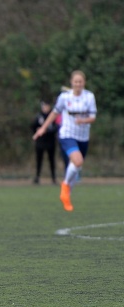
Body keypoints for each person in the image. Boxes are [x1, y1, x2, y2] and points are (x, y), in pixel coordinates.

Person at [33, 70, 97, 211]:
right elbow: (55, 112)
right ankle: (65, 185)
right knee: (78, 161)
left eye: (80, 82)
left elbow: (93, 117)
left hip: (83, 136)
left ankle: (66, 194)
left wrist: (83, 120)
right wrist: (43, 128)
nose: (78, 84)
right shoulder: (64, 97)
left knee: (76, 167)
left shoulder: (89, 97)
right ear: (71, 82)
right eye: (76, 81)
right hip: (67, 134)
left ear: (84, 83)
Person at [30, 100, 58, 184]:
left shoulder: (53, 116)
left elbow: (56, 128)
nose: (45, 108)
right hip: (40, 142)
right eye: (43, 107)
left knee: (51, 160)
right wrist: (37, 131)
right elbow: (32, 126)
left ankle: (53, 178)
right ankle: (37, 177)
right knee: (39, 160)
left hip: (50, 142)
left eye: (46, 106)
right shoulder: (39, 116)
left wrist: (46, 131)